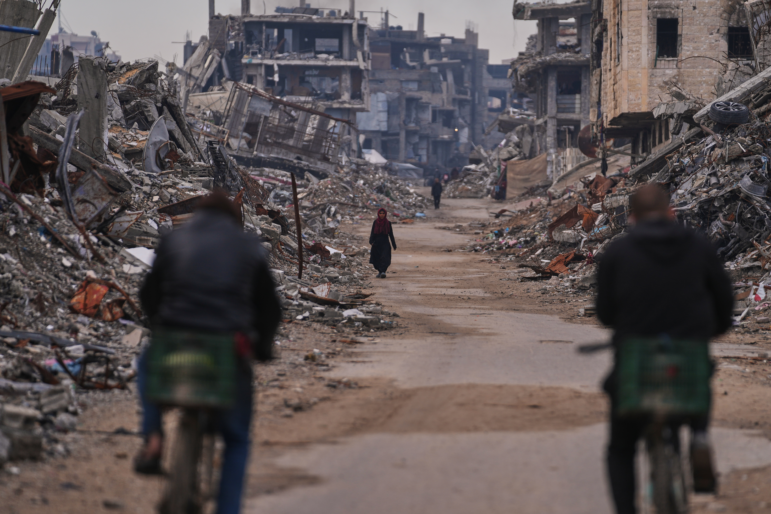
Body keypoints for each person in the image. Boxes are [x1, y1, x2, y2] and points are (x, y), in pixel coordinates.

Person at [134, 191, 281, 514]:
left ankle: (154, 434)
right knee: (237, 438)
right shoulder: (249, 247)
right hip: (226, 347)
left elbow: (148, 295)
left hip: (174, 342)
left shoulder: (174, 242)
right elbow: (269, 308)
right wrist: (263, 348)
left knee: (145, 361)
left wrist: (161, 329)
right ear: (233, 220)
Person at [596, 184, 734, 514]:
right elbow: (724, 301)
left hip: (636, 358)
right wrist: (710, 330)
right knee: (701, 373)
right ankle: (699, 436)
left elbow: (605, 313)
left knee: (621, 447)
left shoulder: (618, 252)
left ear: (631, 218)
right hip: (688, 351)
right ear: (672, 213)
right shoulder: (699, 247)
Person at [369, 208, 397, 279]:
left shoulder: (388, 223)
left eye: (383, 213)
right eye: (380, 213)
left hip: (385, 243)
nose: (382, 215)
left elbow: (391, 234)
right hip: (376, 243)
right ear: (378, 214)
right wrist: (371, 242)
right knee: (376, 258)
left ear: (385, 214)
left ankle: (383, 271)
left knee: (385, 258)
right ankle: (380, 271)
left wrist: (394, 244)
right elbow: (372, 233)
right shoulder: (375, 222)